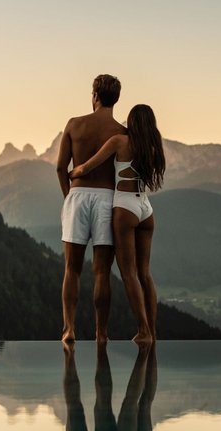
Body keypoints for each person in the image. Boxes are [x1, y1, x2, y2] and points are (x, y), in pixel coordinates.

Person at [70, 104, 165, 344]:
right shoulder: (153, 149)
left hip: (125, 208)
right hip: (146, 209)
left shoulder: (119, 142)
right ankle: (152, 332)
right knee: (145, 274)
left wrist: (72, 174)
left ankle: (143, 331)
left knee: (128, 273)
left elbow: (87, 166)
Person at [57, 74, 125, 343]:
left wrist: (68, 198)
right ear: (116, 99)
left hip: (78, 195)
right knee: (102, 271)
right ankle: (101, 333)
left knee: (72, 269)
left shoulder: (75, 125)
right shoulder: (122, 132)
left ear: (94, 96)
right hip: (108, 198)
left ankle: (69, 329)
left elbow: (61, 167)